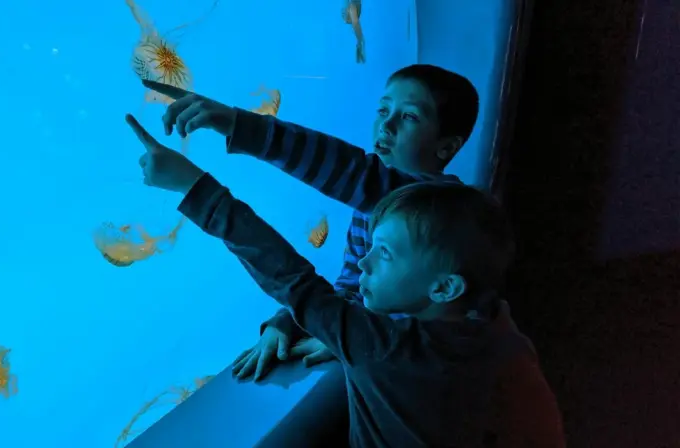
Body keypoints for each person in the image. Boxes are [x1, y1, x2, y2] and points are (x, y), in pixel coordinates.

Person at [124, 113, 565, 446]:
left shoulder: (386, 347)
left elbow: (293, 280)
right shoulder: (492, 322)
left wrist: (192, 185)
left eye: (385, 254)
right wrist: (341, 336)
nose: (364, 264)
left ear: (445, 287)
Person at [142, 64, 480, 381]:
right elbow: (353, 286)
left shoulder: (443, 212)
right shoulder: (370, 211)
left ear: (447, 146)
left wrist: (237, 126)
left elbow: (355, 173)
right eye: (382, 110)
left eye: (409, 117)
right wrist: (290, 322)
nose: (386, 126)